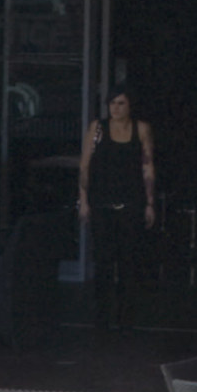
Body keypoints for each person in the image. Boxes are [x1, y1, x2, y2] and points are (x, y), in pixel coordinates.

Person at [78, 88, 157, 330]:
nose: (115, 108)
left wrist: (150, 202)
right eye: (112, 103)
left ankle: (126, 314)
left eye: (121, 103)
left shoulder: (140, 129)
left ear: (129, 106)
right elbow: (85, 164)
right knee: (103, 260)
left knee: (128, 260)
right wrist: (83, 199)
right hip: (102, 202)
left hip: (130, 202)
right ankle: (102, 313)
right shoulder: (98, 129)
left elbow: (147, 166)